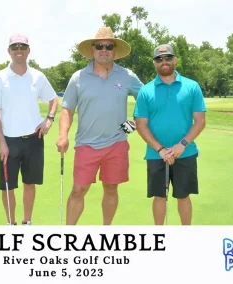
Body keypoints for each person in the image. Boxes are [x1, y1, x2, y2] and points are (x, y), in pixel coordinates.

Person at [56, 26, 144, 225]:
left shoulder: (126, 75)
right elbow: (67, 109)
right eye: (99, 46)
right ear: (93, 49)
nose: (104, 50)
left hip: (117, 143)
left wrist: (134, 123)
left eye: (109, 46)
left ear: (114, 50)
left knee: (111, 188)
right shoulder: (78, 78)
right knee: (78, 190)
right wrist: (63, 135)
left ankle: (106, 230)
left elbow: (147, 99)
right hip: (86, 144)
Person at [0, 33, 59, 225]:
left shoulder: (38, 76)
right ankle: (11, 224)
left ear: (28, 50)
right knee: (8, 186)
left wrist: (49, 120)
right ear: (9, 51)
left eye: (22, 46)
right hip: (9, 141)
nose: (18, 50)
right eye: (14, 47)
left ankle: (27, 222)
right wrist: (1, 142)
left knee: (30, 183)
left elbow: (54, 99)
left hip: (34, 139)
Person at [133, 44, 207, 225]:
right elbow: (141, 125)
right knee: (159, 196)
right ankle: (160, 237)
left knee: (183, 196)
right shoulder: (146, 91)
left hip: (185, 152)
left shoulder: (191, 86)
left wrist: (182, 145)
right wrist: (160, 150)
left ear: (175, 60)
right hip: (156, 154)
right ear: (154, 63)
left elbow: (200, 121)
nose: (163, 62)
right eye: (159, 59)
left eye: (167, 58)